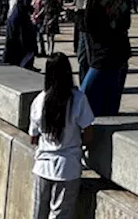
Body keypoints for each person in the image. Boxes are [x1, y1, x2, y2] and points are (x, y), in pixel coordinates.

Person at [29, 53, 94, 219]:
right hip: (68, 167)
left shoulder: (39, 100)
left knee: (38, 212)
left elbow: (33, 138)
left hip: (43, 166)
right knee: (61, 214)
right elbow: (88, 132)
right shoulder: (78, 99)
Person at [80, 0, 131, 116]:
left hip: (102, 56)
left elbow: (88, 23)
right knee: (111, 108)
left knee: (84, 105)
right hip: (121, 52)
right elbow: (126, 21)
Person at [4, 0, 38, 70]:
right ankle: (26, 64)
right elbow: (25, 5)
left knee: (12, 41)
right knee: (28, 42)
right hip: (20, 19)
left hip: (11, 17)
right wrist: (33, 10)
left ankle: (10, 61)